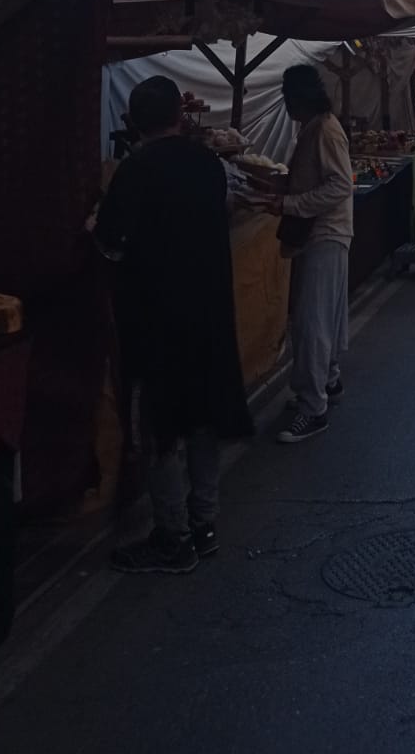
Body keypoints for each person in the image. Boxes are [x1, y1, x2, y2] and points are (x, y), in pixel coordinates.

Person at [95, 75, 251, 574]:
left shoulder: (135, 169)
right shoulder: (210, 165)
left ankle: (172, 537)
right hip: (207, 313)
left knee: (162, 428)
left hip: (158, 320)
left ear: (133, 121)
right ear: (180, 117)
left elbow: (111, 243)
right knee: (202, 420)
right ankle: (203, 525)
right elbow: (225, 212)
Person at [264, 65, 352, 445]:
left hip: (325, 233)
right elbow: (313, 178)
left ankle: (313, 408)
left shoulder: (325, 130)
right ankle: (327, 382)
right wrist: (274, 185)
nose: (285, 108)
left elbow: (338, 185)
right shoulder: (314, 127)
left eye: (287, 100)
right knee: (322, 318)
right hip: (320, 234)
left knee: (312, 322)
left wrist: (291, 203)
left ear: (299, 99)